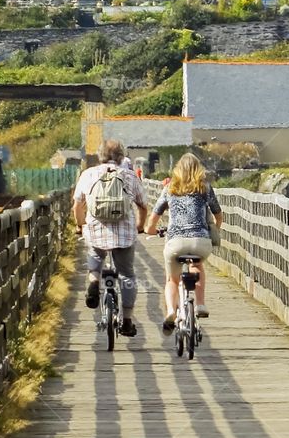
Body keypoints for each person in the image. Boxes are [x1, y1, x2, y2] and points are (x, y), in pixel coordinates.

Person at [73, 140, 148, 337]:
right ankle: (127, 321)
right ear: (121, 157)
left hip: (96, 231)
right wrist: (140, 226)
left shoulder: (88, 175)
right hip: (124, 235)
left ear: (100, 156)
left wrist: (80, 226)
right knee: (127, 275)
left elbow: (77, 206)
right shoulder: (130, 176)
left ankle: (94, 280)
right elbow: (143, 206)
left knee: (95, 257)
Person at [146, 152, 222, 333]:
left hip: (175, 243)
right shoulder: (205, 188)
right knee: (197, 265)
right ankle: (201, 304)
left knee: (172, 279)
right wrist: (215, 229)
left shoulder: (170, 188)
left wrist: (151, 230)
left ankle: (172, 310)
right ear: (198, 170)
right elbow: (218, 214)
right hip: (200, 242)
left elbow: (153, 219)